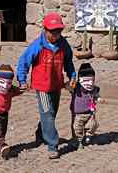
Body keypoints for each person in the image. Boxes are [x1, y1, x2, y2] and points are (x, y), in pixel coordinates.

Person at [17, 12, 76, 159]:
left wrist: (72, 76)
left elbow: (68, 62)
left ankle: (41, 133)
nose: (56, 34)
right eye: (53, 31)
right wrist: (22, 79)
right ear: (45, 29)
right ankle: (52, 145)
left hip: (56, 84)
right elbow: (23, 61)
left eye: (59, 31)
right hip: (42, 86)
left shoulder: (63, 45)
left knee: (51, 113)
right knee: (48, 113)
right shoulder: (37, 45)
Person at [69, 63, 104, 150]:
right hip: (78, 114)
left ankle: (88, 135)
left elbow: (96, 95)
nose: (89, 83)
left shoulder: (94, 88)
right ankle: (79, 141)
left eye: (92, 80)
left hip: (90, 112)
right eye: (86, 80)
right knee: (77, 128)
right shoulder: (76, 87)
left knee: (93, 125)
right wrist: (70, 83)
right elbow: (68, 87)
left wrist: (99, 99)